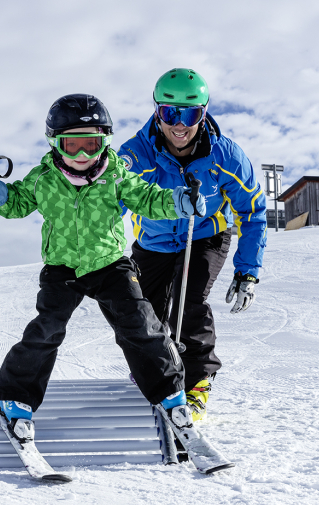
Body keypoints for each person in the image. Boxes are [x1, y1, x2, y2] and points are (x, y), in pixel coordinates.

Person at [0, 93, 207, 441]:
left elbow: (148, 197)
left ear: (104, 143)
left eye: (90, 145)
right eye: (71, 145)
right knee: (46, 329)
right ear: (55, 144)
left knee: (140, 323)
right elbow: (16, 203)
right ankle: (15, 398)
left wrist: (179, 200)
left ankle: (170, 393)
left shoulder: (117, 175)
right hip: (62, 269)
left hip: (110, 264)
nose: (81, 155)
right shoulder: (43, 178)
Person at [117, 68, 267, 422]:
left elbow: (253, 213)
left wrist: (248, 271)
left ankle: (197, 380)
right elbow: (110, 201)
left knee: (190, 301)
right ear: (157, 112)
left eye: (191, 114)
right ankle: (154, 373)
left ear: (204, 112)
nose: (180, 124)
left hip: (203, 237)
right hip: (152, 241)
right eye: (170, 113)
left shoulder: (225, 157)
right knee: (142, 313)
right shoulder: (135, 155)